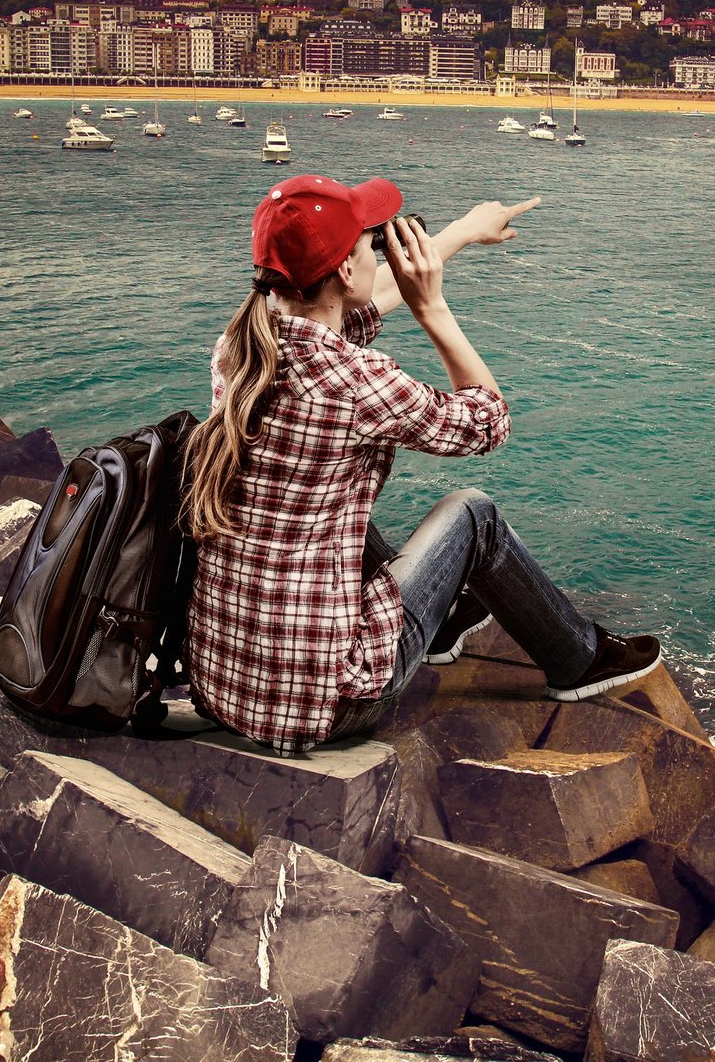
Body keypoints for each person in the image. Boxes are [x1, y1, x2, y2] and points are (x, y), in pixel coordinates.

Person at [181, 174, 661, 756]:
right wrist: (432, 306)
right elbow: (487, 421)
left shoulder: (240, 347)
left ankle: (445, 620)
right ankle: (578, 659)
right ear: (345, 271)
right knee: (474, 515)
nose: (380, 253)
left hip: (223, 686)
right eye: (371, 245)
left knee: (320, 496)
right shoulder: (356, 382)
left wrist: (461, 233)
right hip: (329, 704)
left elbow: (355, 306)